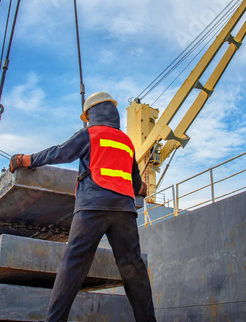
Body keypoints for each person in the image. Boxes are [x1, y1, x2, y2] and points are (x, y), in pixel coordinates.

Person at [10, 91, 157, 322]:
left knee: (74, 263)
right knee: (133, 268)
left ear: (92, 113)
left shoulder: (91, 133)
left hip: (92, 207)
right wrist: (141, 190)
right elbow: (136, 183)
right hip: (124, 212)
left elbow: (59, 153)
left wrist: (26, 160)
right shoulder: (127, 141)